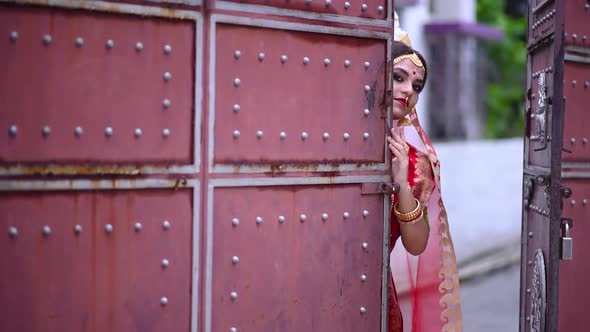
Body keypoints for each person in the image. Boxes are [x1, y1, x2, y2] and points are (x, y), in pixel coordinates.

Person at [387, 13, 463, 331]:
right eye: (399, 77)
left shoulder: (416, 161)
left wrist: (402, 183)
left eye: (416, 85)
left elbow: (416, 245)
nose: (408, 90)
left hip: (372, 295)